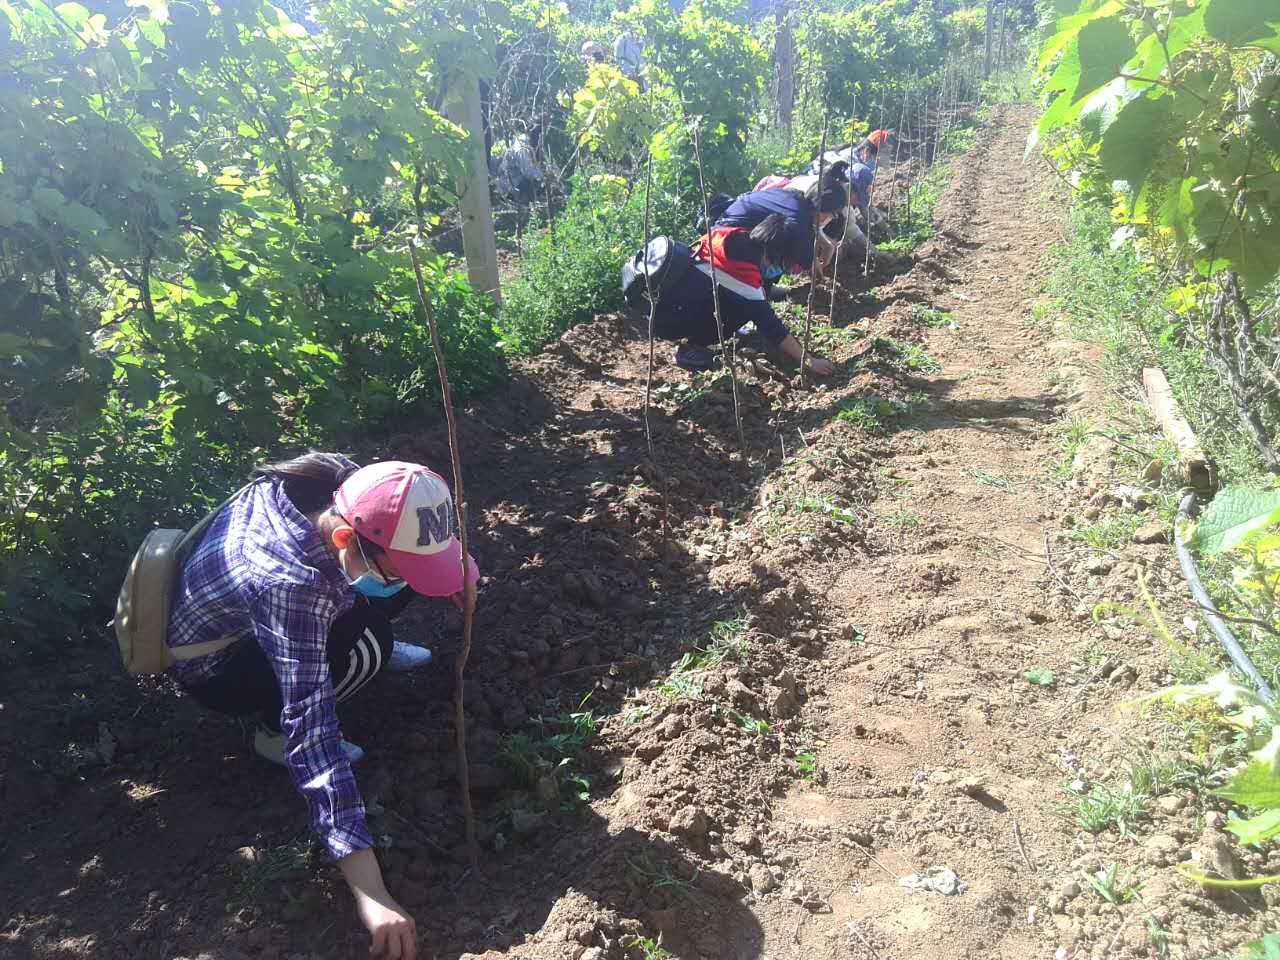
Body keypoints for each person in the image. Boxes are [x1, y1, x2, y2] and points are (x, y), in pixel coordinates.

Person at [167, 453, 479, 960]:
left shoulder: (343, 482)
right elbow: (313, 732)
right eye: (401, 568)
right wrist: (372, 893)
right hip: (220, 669)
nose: (407, 578)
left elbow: (406, 546)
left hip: (283, 606)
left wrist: (448, 578)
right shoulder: (289, 585)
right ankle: (270, 730)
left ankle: (361, 632)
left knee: (380, 603)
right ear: (345, 538)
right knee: (370, 638)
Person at [651, 213, 835, 376]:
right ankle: (692, 349)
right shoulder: (743, 275)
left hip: (666, 303)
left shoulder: (731, 235)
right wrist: (809, 361)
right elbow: (772, 327)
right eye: (784, 262)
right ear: (776, 253)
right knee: (747, 309)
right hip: (668, 322)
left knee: (740, 302)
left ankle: (709, 330)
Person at [716, 169, 849, 298]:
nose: (830, 218)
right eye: (832, 214)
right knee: (785, 249)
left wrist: (825, 245)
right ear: (823, 207)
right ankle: (757, 288)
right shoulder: (797, 218)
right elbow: (807, 258)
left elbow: (807, 230)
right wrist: (819, 275)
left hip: (723, 233)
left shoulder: (795, 198)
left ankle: (765, 287)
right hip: (728, 243)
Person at [808, 128, 890, 176]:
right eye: (874, 156)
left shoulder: (850, 150)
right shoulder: (852, 167)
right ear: (867, 151)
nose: (875, 159)